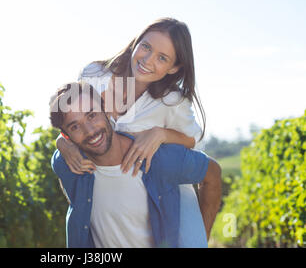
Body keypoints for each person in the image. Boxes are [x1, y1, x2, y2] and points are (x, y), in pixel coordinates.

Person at [55, 17, 209, 246]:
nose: (147, 60)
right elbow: (71, 122)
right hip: (107, 203)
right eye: (146, 46)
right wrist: (63, 143)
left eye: (162, 58)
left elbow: (193, 141)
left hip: (162, 202)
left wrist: (161, 134)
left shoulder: (172, 101)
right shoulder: (94, 75)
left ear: (174, 67)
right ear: (136, 42)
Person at [49, 82, 221, 248]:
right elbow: (58, 159)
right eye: (75, 126)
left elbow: (212, 173)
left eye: (92, 115)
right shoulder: (69, 165)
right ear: (67, 137)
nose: (90, 131)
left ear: (106, 110)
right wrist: (61, 146)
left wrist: (201, 238)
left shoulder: (158, 158)